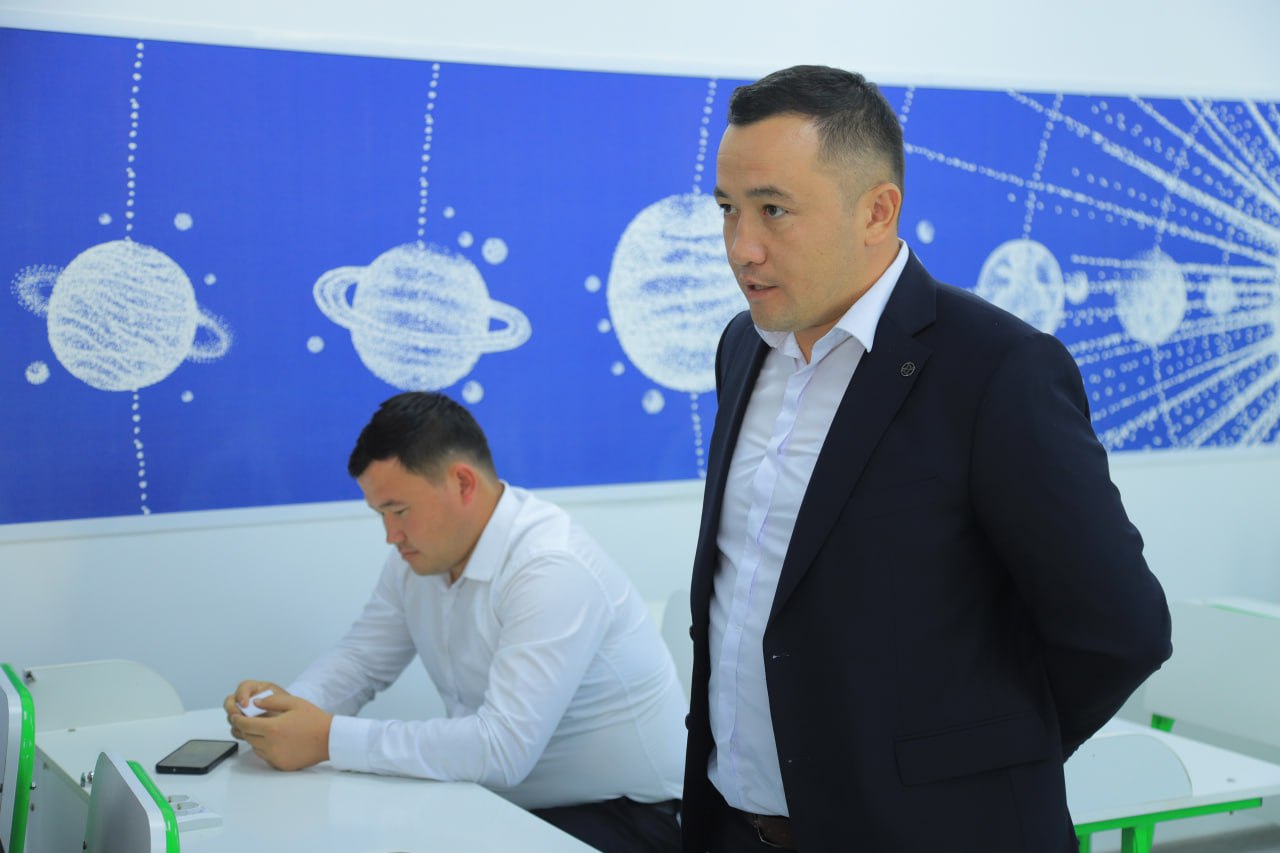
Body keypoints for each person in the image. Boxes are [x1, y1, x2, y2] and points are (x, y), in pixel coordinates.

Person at [681, 65, 1173, 852]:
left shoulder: (995, 369)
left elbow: (1122, 629)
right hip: (737, 826)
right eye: (727, 209)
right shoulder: (744, 347)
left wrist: (976, 763)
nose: (742, 247)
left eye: (773, 209)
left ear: (877, 211)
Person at [225, 391, 685, 852]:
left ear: (463, 483)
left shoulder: (551, 567)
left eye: (399, 511)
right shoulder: (417, 560)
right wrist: (287, 710)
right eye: (380, 515)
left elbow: (502, 748)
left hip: (626, 817)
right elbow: (361, 661)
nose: (391, 536)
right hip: (500, 799)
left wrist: (328, 739)